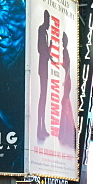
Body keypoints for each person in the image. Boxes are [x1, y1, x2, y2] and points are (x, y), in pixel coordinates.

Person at [59, 33, 75, 147]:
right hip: (67, 80)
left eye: (64, 40)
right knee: (65, 105)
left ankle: (65, 135)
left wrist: (65, 79)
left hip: (67, 81)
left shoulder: (65, 51)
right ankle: (65, 134)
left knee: (65, 104)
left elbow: (68, 67)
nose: (62, 42)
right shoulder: (64, 51)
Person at [37, 11, 51, 140]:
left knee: (44, 98)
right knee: (42, 98)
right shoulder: (41, 29)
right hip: (42, 68)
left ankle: (43, 127)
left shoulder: (45, 31)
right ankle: (39, 128)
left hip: (45, 67)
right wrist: (48, 53)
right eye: (48, 20)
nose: (49, 24)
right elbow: (40, 48)